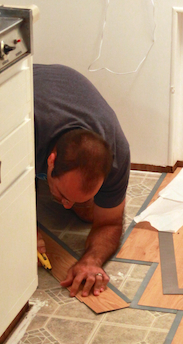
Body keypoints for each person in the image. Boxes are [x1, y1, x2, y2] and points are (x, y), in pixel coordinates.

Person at [33, 64, 130, 297]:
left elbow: (110, 223)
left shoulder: (118, 155)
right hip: (27, 87)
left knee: (88, 214)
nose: (66, 206)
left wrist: (91, 260)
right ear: (51, 161)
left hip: (66, 92)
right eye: (64, 195)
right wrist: (24, 229)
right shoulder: (25, 130)